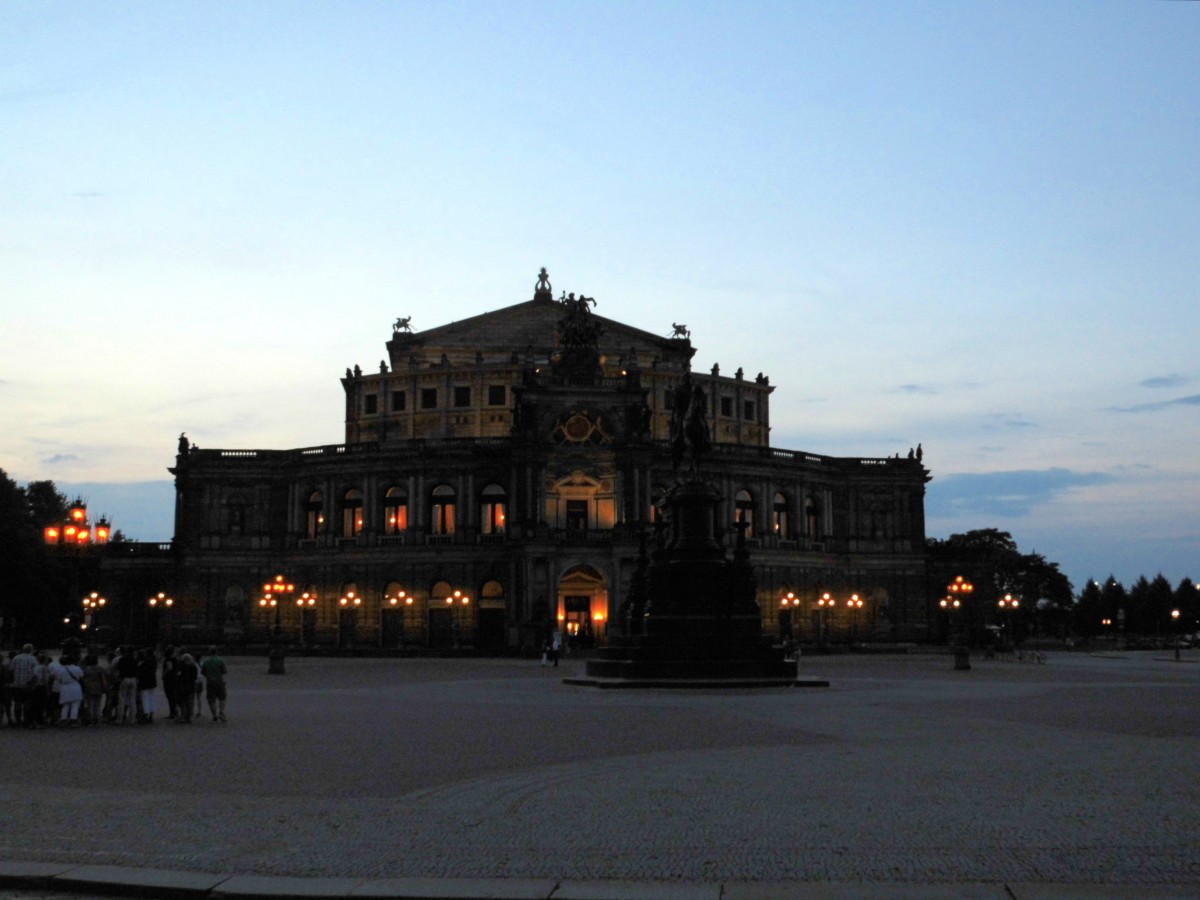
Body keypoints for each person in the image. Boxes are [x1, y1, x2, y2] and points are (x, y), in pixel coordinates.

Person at [9, 644, 38, 727]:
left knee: (17, 703)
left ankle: (18, 720)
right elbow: (36, 672)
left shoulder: (16, 658)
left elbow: (11, 669)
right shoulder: (33, 659)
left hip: (17, 684)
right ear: (31, 650)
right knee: (27, 703)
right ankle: (26, 720)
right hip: (27, 684)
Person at [53, 654, 85, 726]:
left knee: (65, 705)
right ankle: (73, 720)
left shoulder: (61, 670)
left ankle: (64, 719)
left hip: (65, 687)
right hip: (75, 686)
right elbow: (81, 677)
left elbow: (59, 679)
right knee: (75, 705)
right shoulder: (77, 668)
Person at [200, 646, 228, 722]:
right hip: (219, 681)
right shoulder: (221, 660)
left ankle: (214, 715)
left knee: (211, 699)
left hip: (210, 682)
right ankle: (221, 712)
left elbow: (203, 672)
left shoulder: (206, 661)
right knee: (222, 697)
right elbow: (224, 671)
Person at [116, 646, 139, 725]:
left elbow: (119, 669)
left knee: (122, 699)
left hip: (125, 678)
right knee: (132, 700)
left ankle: (120, 719)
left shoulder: (122, 659)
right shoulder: (135, 660)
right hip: (133, 679)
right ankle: (132, 719)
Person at [81, 654, 107, 725]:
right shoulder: (100, 668)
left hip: (89, 688)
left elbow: (83, 678)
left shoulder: (86, 669)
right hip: (98, 687)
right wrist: (104, 687)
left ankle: (90, 719)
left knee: (90, 704)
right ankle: (97, 718)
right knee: (97, 704)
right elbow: (104, 679)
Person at [136, 648, 159, 724]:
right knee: (151, 698)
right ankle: (151, 714)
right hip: (152, 681)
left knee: (145, 699)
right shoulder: (154, 661)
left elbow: (140, 671)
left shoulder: (144, 662)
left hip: (145, 682)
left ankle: (145, 714)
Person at [175, 654, 199, 723]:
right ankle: (189, 717)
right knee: (190, 702)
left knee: (182, 702)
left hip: (181, 687)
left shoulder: (180, 667)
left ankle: (182, 717)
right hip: (190, 686)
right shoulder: (193, 667)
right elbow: (195, 677)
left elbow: (177, 676)